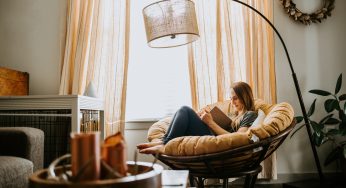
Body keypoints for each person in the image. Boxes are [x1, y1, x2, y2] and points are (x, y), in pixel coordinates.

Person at [137, 81, 258, 154]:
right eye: (231, 98)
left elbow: (238, 138)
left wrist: (210, 122)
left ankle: (165, 143)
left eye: (235, 98)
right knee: (186, 113)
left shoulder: (250, 114)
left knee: (185, 110)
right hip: (212, 135)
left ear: (245, 96)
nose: (232, 102)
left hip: (218, 144)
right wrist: (204, 118)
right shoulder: (235, 114)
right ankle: (164, 140)